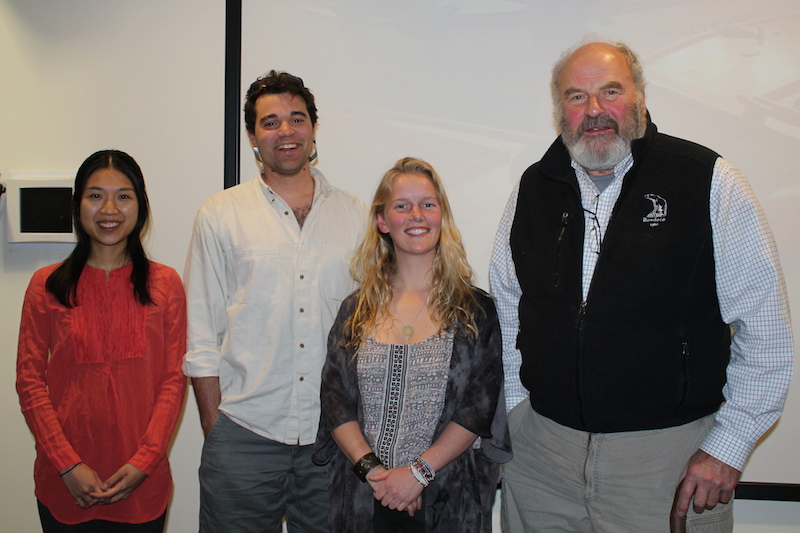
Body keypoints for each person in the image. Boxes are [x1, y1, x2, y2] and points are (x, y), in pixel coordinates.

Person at [489, 40, 793, 531]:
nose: (594, 111)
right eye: (576, 96)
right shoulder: (532, 189)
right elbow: (508, 310)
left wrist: (728, 449)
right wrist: (516, 419)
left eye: (610, 91)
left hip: (666, 464)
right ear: (559, 109)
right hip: (543, 461)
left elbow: (766, 331)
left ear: (640, 97)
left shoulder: (709, 181)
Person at [183, 70, 367, 532]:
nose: (285, 131)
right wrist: (215, 430)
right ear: (252, 135)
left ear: (313, 129)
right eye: (270, 122)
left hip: (335, 439)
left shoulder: (358, 216)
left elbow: (372, 328)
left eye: (296, 119)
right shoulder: (220, 215)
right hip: (244, 433)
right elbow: (201, 335)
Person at [313, 157, 511, 532]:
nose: (416, 215)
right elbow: (334, 398)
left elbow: (477, 408)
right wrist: (376, 475)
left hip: (448, 500)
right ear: (383, 221)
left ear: (442, 217)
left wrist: (418, 474)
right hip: (363, 498)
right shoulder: (356, 309)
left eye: (428, 204)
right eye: (402, 206)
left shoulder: (475, 310)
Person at [16, 150, 187, 532]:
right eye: (95, 196)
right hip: (65, 485)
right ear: (78, 205)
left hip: (142, 483)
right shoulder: (46, 284)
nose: (109, 208)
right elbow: (29, 382)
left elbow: (173, 380)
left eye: (123, 196)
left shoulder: (165, 284)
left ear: (141, 205)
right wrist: (67, 463)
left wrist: (146, 461)